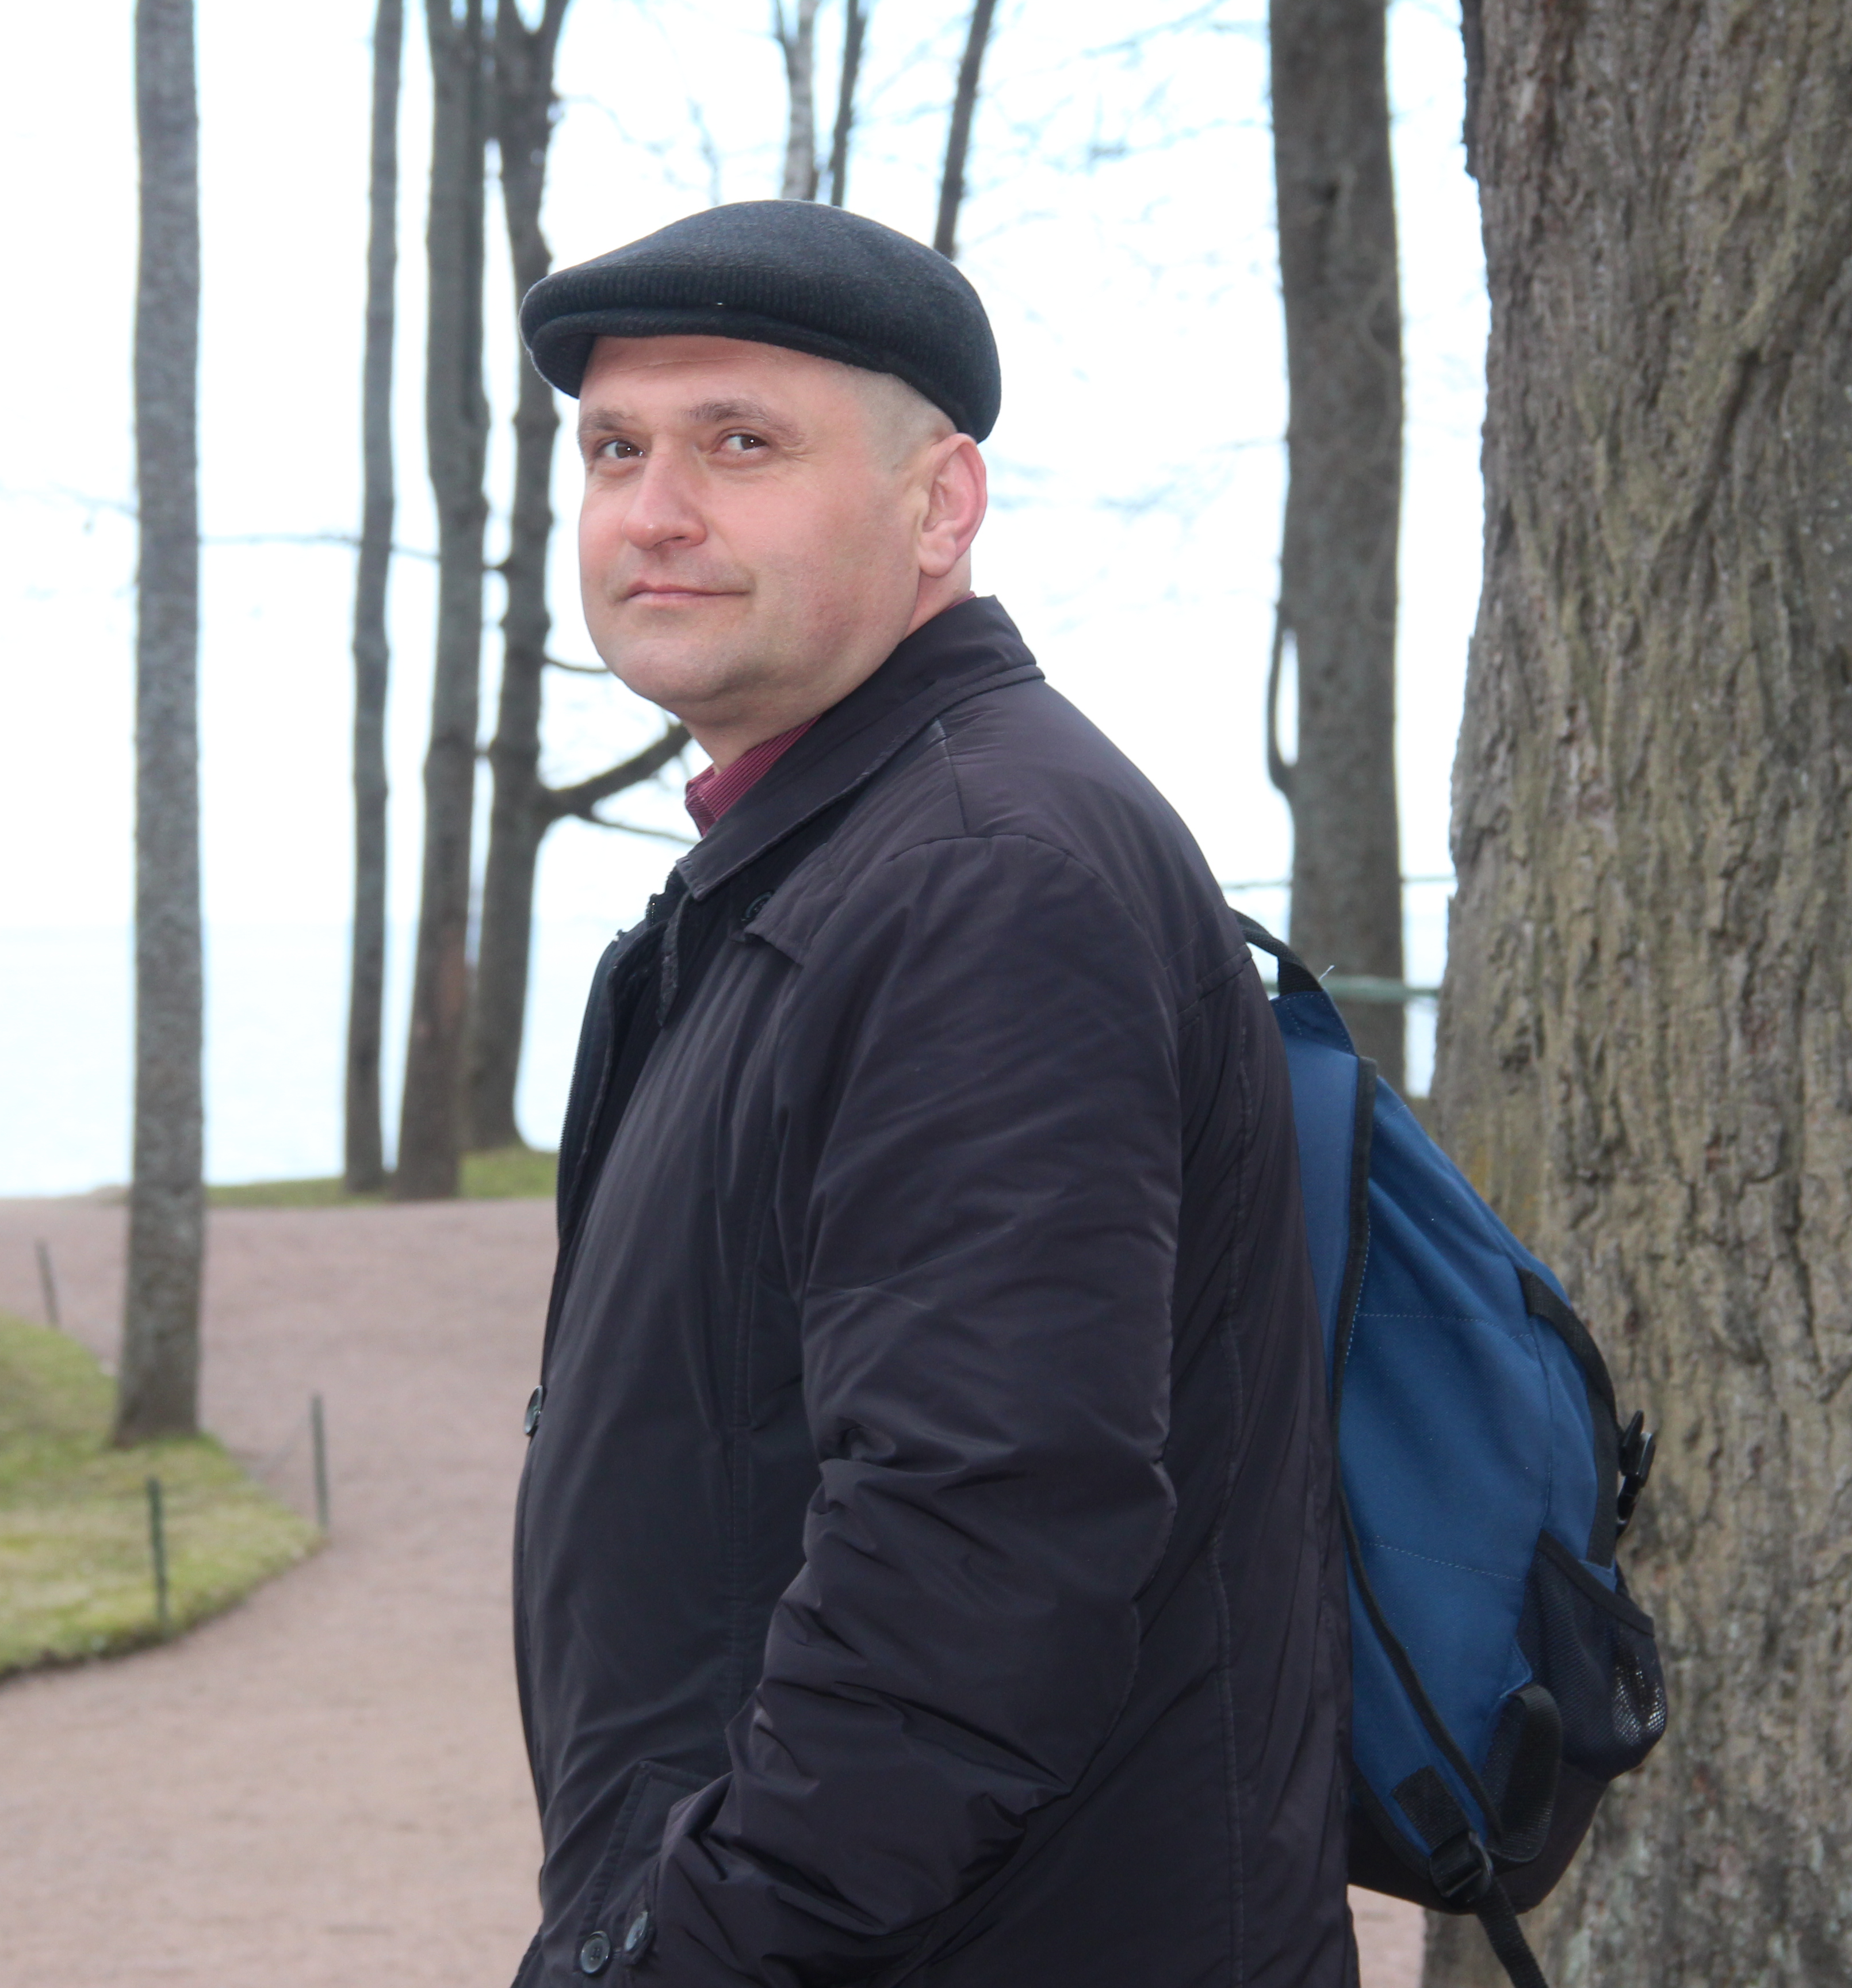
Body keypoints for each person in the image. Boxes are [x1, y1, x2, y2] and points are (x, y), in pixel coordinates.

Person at [506, 199, 1348, 1987]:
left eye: (742, 444)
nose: (654, 511)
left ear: (939, 507)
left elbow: (985, 1542)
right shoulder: (835, 861)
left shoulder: (981, 879)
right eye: (616, 449)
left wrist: (683, 1947)